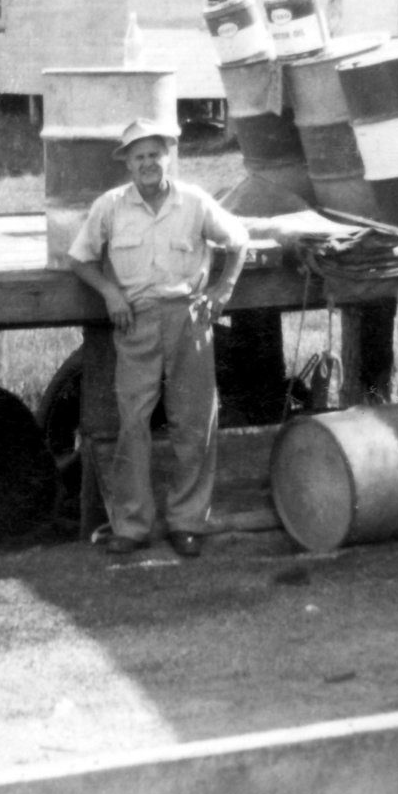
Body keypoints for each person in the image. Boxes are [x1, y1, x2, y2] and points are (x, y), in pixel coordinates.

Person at [67, 118, 249, 558]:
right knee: (133, 423)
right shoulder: (109, 207)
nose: (147, 163)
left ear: (168, 157)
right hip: (136, 321)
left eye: (154, 154)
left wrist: (222, 289)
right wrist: (110, 292)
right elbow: (80, 258)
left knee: (194, 421)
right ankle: (131, 525)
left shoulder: (194, 202)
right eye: (138, 156)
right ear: (127, 163)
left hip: (189, 318)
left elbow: (238, 241)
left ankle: (188, 522)